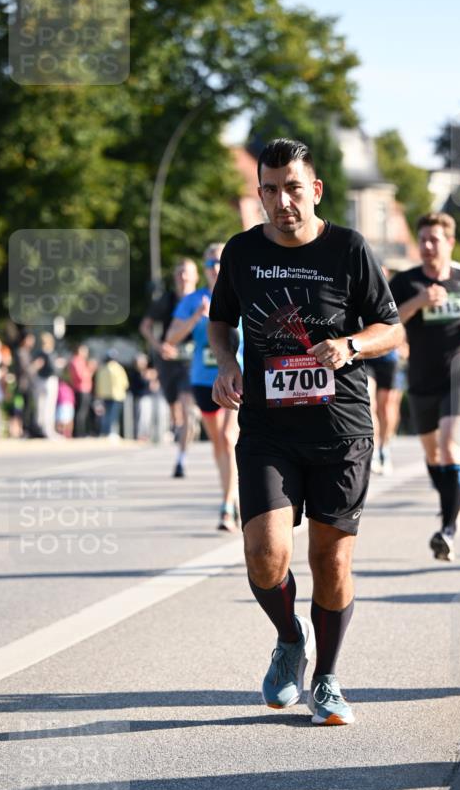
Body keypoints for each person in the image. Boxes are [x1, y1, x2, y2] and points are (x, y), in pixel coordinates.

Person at [209, 138, 403, 726]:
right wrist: (226, 362)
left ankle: (327, 678)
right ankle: (290, 639)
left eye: (292, 187)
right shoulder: (242, 252)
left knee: (331, 562)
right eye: (269, 188)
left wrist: (348, 345)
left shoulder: (349, 247)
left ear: (314, 189)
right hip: (269, 426)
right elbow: (222, 321)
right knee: (265, 554)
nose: (281, 200)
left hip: (341, 427)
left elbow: (389, 329)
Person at [389, 213, 460, 562]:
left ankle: (448, 529)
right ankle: (454, 498)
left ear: (450, 243)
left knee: (450, 448)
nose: (427, 246)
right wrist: (418, 303)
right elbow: (386, 323)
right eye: (423, 240)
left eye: (434, 239)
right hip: (421, 379)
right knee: (433, 455)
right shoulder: (406, 282)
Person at [164, 243, 242, 531]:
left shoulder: (240, 293)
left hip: (238, 376)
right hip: (203, 381)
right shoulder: (193, 300)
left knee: (229, 434)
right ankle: (230, 496)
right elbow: (170, 338)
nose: (215, 269)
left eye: (221, 263)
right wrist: (198, 315)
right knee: (219, 442)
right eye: (210, 264)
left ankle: (228, 504)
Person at [140, 260, 198, 476]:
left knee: (187, 409)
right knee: (176, 411)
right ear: (175, 277)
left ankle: (181, 460)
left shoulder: (202, 299)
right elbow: (145, 327)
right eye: (179, 273)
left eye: (187, 273)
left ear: (195, 277)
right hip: (168, 364)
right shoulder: (166, 300)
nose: (183, 277)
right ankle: (181, 426)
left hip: (192, 363)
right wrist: (160, 346)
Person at [94, 350, 129, 437]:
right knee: (113, 415)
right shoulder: (118, 368)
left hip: (104, 395)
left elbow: (98, 383)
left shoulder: (102, 369)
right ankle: (111, 432)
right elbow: (124, 383)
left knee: (106, 415)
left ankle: (104, 432)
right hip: (117, 395)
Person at [31, 332, 59, 439]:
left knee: (41, 406)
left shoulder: (38, 353)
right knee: (48, 406)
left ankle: (42, 429)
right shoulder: (49, 353)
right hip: (48, 380)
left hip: (40, 380)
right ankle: (47, 430)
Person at [68, 344, 95, 437]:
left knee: (83, 412)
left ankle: (81, 432)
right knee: (80, 412)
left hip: (84, 389)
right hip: (80, 389)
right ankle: (78, 433)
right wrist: (90, 370)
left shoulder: (81, 361)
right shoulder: (76, 361)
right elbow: (81, 377)